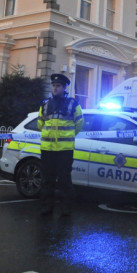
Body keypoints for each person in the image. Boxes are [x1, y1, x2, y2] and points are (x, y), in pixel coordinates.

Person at [38, 73, 83, 216]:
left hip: (64, 149)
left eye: (58, 86)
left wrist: (67, 137)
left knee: (64, 180)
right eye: (53, 85)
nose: (55, 88)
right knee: (47, 180)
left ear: (64, 88)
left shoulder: (73, 104)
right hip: (47, 149)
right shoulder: (45, 104)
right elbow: (40, 124)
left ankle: (65, 207)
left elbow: (79, 123)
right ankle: (47, 207)